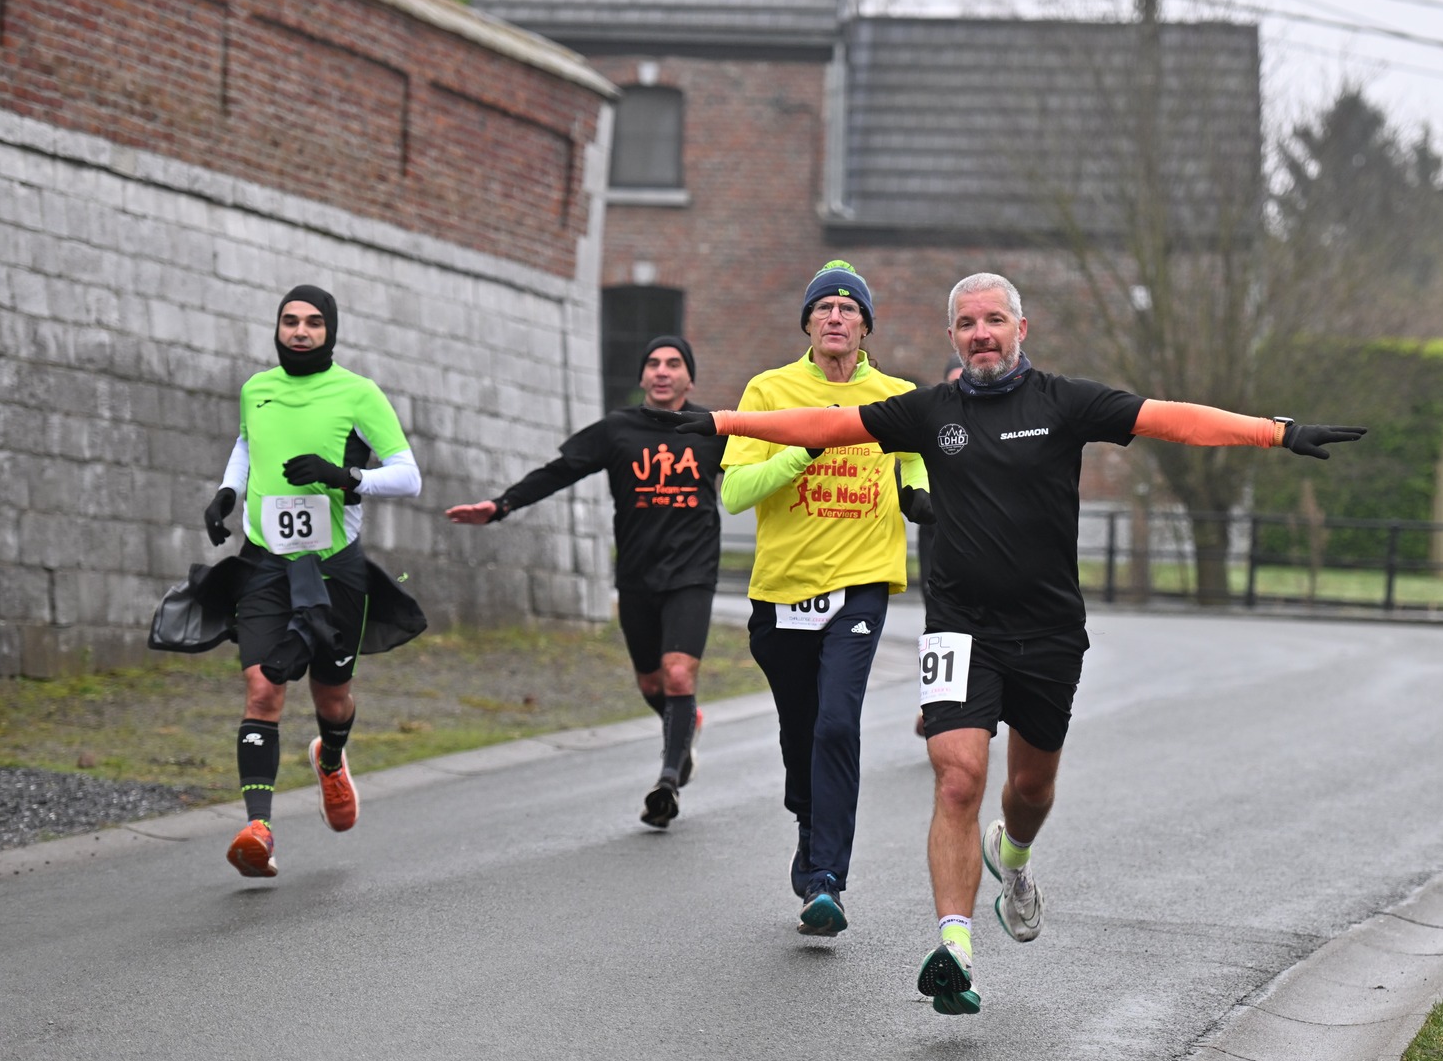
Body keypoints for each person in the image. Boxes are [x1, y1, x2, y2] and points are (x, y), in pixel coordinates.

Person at [676, 272, 1365, 1011]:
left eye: (994, 320)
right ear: (952, 337)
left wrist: (1277, 431)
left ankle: (1015, 854)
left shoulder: (1064, 403)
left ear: (1020, 328)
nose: (980, 333)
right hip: (960, 625)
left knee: (1029, 789)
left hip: (1048, 631)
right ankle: (954, 949)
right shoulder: (928, 410)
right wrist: (720, 424)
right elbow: (825, 427)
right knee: (956, 778)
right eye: (967, 323)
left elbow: (1172, 419)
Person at [718, 261, 933, 937]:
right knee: (800, 732)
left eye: (848, 308)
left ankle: (826, 880)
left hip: (861, 587)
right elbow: (733, 494)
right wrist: (800, 452)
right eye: (824, 308)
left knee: (838, 724)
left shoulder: (897, 395)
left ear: (866, 325)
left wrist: (923, 498)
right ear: (807, 322)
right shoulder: (769, 390)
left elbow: (917, 467)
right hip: (781, 591)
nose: (835, 317)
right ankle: (810, 823)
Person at [445, 337, 726, 829]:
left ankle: (668, 779)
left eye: (674, 364)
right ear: (642, 378)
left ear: (689, 378)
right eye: (653, 363)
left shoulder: (712, 430)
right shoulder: (617, 429)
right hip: (637, 575)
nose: (662, 371)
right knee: (650, 681)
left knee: (679, 673)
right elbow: (561, 471)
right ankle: (683, 725)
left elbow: (770, 467)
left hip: (692, 573)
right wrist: (502, 505)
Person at [200, 285, 424, 878]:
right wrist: (228, 490)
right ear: (277, 328)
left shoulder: (358, 393)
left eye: (314, 323)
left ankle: (331, 758)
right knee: (263, 690)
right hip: (265, 560)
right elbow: (248, 443)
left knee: (331, 695)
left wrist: (346, 476)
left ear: (331, 331)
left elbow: (408, 477)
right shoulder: (257, 388)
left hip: (333, 565)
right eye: (290, 321)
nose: (300, 331)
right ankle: (259, 829)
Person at [913, 356, 963, 738]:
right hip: (938, 537)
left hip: (988, 544)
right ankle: (934, 705)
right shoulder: (935, 423)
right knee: (941, 621)